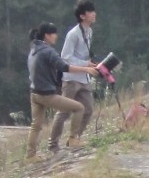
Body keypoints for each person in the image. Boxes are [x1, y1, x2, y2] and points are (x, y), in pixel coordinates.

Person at [27, 23, 100, 158]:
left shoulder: (33, 51)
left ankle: (30, 155)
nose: (56, 36)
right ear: (47, 36)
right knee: (79, 108)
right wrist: (86, 69)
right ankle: (73, 139)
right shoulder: (48, 51)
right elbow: (64, 66)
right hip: (47, 95)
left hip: (34, 94)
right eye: (54, 34)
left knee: (36, 126)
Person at [58, 0, 98, 144]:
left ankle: (75, 138)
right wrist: (85, 65)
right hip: (71, 78)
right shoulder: (73, 34)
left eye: (94, 11)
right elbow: (65, 58)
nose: (94, 14)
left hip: (84, 77)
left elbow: (83, 53)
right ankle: (53, 143)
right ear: (82, 16)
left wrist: (90, 65)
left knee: (88, 109)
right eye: (90, 11)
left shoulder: (89, 31)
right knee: (64, 112)